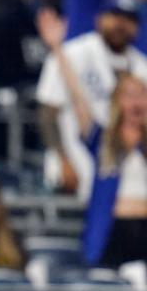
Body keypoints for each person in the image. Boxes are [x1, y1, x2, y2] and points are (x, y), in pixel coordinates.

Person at [48, 37, 147, 267]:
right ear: (118, 101)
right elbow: (78, 97)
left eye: (141, 94)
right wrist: (57, 49)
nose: (136, 101)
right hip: (113, 228)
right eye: (129, 95)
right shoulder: (103, 140)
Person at [36, 0, 147, 197]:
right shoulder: (72, 53)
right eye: (115, 16)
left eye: (128, 20)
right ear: (99, 18)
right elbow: (48, 113)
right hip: (74, 167)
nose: (121, 25)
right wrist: (63, 159)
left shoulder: (142, 66)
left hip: (124, 172)